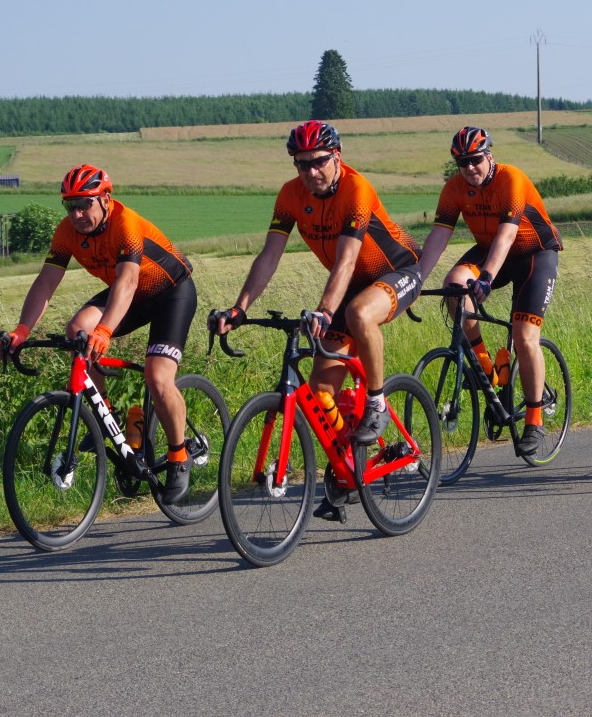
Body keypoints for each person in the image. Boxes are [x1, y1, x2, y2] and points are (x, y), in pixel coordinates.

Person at [209, 120, 422, 520]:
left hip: (398, 270)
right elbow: (270, 255)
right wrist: (240, 307)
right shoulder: (290, 195)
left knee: (359, 313)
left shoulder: (356, 190)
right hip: (349, 284)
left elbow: (347, 259)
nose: (310, 171)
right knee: (321, 390)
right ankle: (349, 469)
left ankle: (376, 402)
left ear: (336, 157)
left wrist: (325, 309)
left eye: (319, 161)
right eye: (301, 163)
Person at [0, 163, 199, 504]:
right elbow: (46, 281)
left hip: (170, 293)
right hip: (129, 295)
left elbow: (128, 281)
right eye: (70, 206)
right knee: (78, 331)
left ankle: (180, 455)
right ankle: (108, 418)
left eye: (84, 204)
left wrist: (105, 330)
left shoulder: (126, 224)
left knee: (157, 376)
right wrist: (22, 329)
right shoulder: (66, 232)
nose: (77, 214)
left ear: (106, 199)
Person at [417, 126, 563, 456]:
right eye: (462, 162)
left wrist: (485, 278)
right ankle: (488, 368)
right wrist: (416, 280)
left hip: (534, 254)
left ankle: (535, 420)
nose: (470, 167)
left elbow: (507, 235)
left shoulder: (511, 179)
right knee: (454, 286)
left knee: (524, 336)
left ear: (489, 156)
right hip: (490, 250)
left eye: (475, 160)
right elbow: (439, 236)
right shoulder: (454, 188)